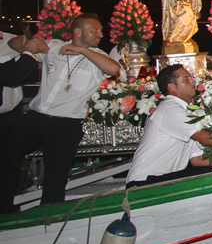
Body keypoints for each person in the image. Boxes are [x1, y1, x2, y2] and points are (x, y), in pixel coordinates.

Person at [0, 14, 121, 211]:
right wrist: (27, 42)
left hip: (66, 123)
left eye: (100, 31)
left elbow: (113, 68)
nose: (100, 34)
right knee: (6, 150)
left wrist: (82, 50)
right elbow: (23, 47)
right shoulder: (54, 47)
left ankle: (49, 215)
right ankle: (4, 208)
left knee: (56, 175)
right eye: (95, 30)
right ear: (78, 31)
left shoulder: (98, 56)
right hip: (37, 116)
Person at [126, 65, 212, 187]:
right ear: (172, 87)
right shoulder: (170, 109)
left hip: (160, 180)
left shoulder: (186, 112)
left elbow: (197, 160)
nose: (193, 81)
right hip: (143, 182)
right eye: (186, 79)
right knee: (211, 177)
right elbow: (206, 138)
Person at [0, 34, 48, 140]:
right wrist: (29, 51)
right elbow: (12, 76)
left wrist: (29, 55)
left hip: (12, 114)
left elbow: (7, 67)